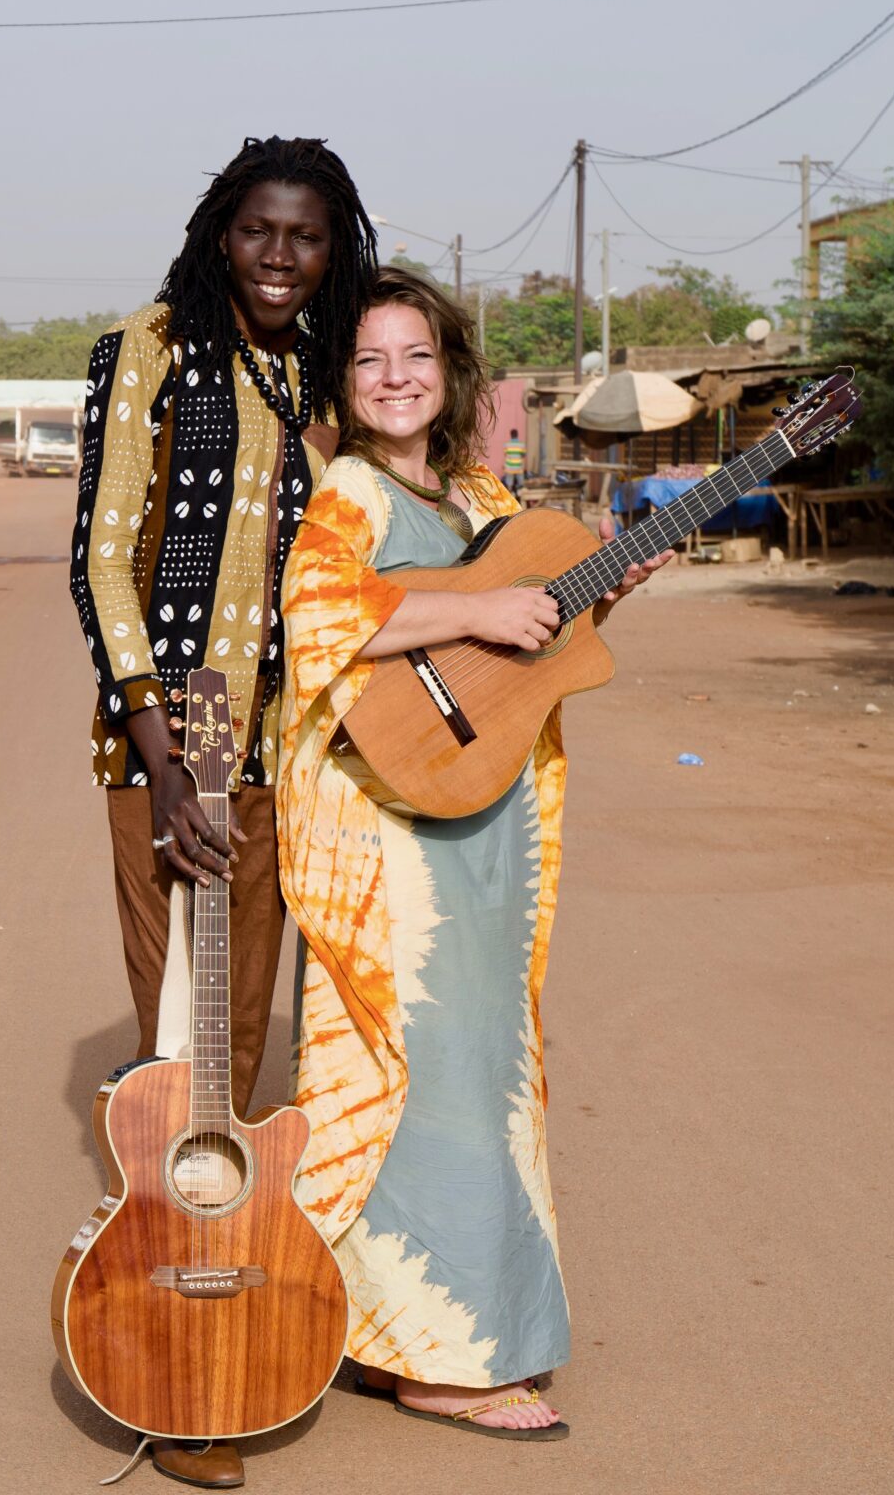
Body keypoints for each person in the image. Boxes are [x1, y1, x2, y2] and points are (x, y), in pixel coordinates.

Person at [276, 269, 670, 1442]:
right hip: (395, 831)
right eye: (370, 361)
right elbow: (320, 619)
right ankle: (438, 1352)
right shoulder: (346, 492)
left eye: (417, 358)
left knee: (484, 1068)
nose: (396, 379)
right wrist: (475, 615)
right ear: (343, 385)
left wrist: (608, 588)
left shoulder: (476, 492)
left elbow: (528, 641)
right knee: (423, 1072)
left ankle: (372, 1326)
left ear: (450, 375)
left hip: (485, 812)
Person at [65, 136, 377, 1492]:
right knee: (178, 1035)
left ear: (332, 249)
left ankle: (247, 1302)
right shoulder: (148, 350)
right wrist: (160, 748)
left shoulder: (330, 372)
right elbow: (99, 555)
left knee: (244, 1038)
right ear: (221, 230)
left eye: (305, 238)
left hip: (291, 754)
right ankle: (177, 1371)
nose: (279, 256)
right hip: (168, 749)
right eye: (260, 230)